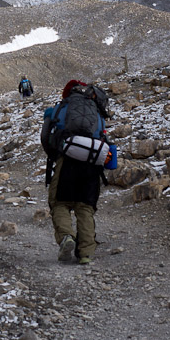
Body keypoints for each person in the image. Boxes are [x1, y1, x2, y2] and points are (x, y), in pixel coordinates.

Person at [40, 79, 115, 265]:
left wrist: (57, 154)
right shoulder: (97, 111)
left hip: (66, 162)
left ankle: (67, 237)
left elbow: (45, 136)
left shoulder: (58, 109)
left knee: (59, 204)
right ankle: (86, 253)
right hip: (92, 163)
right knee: (85, 207)